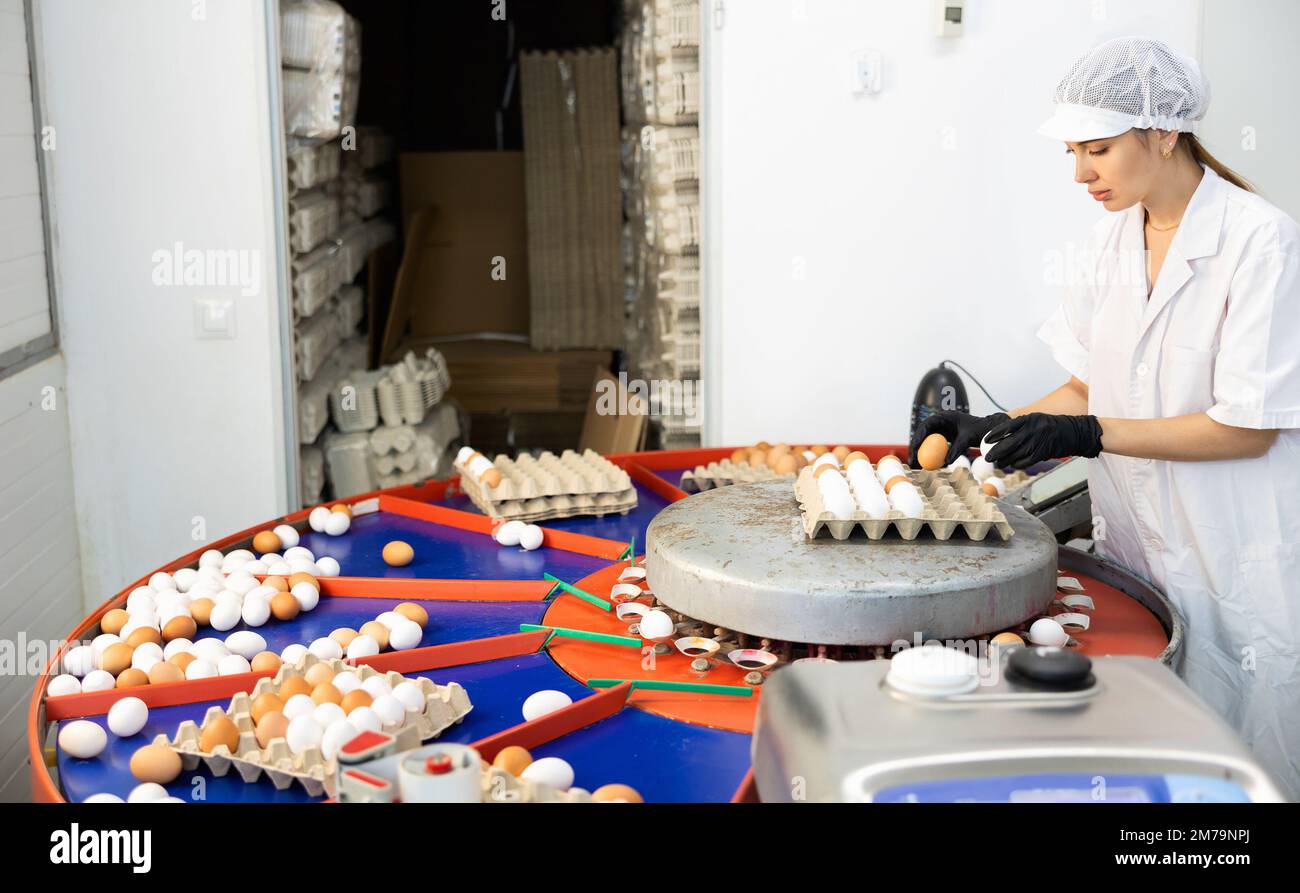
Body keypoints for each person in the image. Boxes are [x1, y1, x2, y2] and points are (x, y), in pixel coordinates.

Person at [911, 37, 1300, 799]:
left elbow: (1247, 427)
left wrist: (1090, 435)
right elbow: (1088, 388)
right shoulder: (1110, 240)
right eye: (1073, 151)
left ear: (1163, 132)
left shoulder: (1261, 242)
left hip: (1236, 562)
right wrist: (993, 427)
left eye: (1098, 148)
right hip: (1141, 556)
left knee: (1247, 775)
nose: (1081, 172)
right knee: (1153, 774)